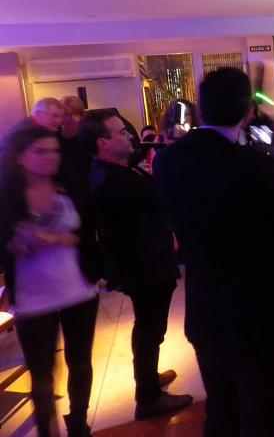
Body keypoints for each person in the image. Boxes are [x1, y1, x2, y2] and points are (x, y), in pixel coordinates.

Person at [154, 68, 274, 436]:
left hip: (207, 308)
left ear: (200, 108)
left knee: (221, 412)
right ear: (247, 111)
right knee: (265, 418)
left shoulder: (167, 161)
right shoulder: (256, 165)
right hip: (260, 315)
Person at [82, 110, 192, 420]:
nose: (129, 135)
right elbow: (157, 199)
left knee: (148, 327)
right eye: (120, 132)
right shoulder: (111, 181)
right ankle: (148, 397)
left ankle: (148, 378)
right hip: (144, 265)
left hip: (145, 261)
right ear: (102, 143)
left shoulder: (112, 171)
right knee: (149, 328)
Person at [0, 125, 100, 437]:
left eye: (54, 150)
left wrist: (60, 238)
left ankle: (78, 423)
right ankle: (48, 431)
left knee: (80, 362)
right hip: (33, 296)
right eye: (40, 151)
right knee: (42, 375)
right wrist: (15, 245)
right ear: (19, 157)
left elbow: (89, 233)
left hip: (78, 289)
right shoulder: (6, 198)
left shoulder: (69, 186)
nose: (51, 157)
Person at [59, 95, 92, 178]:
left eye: (64, 114)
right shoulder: (57, 133)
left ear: (76, 115)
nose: (59, 118)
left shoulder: (86, 136)